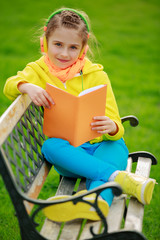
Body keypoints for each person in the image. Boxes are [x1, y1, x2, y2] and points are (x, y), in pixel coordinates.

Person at [3, 8, 156, 222]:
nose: (64, 54)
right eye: (57, 45)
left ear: (83, 47)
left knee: (117, 145)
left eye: (73, 47)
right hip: (70, 155)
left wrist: (111, 126)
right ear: (45, 42)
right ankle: (120, 179)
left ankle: (96, 204)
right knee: (50, 147)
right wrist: (27, 86)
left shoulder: (97, 75)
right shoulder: (38, 70)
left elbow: (116, 124)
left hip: (102, 146)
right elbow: (9, 85)